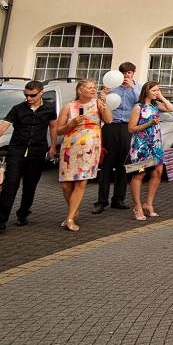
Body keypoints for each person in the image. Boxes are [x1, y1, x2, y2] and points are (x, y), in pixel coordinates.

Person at [0, 80, 57, 232]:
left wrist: (53, 146)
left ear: (41, 92)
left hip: (37, 151)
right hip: (17, 150)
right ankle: (0, 220)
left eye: (32, 95)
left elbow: (53, 126)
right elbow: (4, 125)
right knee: (10, 184)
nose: (29, 98)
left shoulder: (49, 108)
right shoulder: (17, 109)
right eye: (26, 95)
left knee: (30, 185)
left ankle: (23, 213)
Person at [56, 78, 111, 232]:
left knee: (81, 182)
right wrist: (70, 124)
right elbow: (58, 130)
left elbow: (109, 119)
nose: (93, 90)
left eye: (94, 87)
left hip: (90, 147)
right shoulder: (69, 107)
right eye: (89, 87)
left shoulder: (97, 104)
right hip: (70, 147)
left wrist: (105, 102)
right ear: (80, 90)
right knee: (66, 184)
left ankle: (70, 217)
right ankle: (73, 210)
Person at [93, 61, 137, 214]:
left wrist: (133, 87)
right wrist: (104, 93)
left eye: (129, 73)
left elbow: (142, 102)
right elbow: (101, 104)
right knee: (106, 165)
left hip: (127, 127)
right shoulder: (111, 88)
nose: (127, 75)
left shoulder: (137, 88)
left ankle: (118, 199)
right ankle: (101, 201)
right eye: (124, 73)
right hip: (110, 126)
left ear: (133, 73)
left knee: (123, 165)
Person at [127, 81, 173, 221]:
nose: (156, 92)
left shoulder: (155, 105)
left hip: (156, 144)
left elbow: (171, 108)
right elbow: (131, 128)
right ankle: (137, 206)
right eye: (154, 90)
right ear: (146, 91)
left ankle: (149, 203)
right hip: (141, 146)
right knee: (140, 175)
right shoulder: (138, 107)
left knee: (157, 173)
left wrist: (161, 96)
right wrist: (149, 124)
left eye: (158, 90)